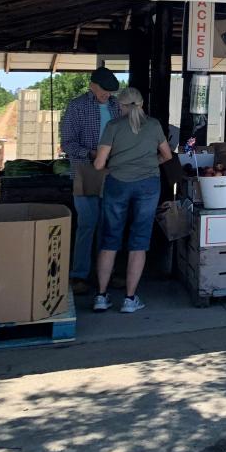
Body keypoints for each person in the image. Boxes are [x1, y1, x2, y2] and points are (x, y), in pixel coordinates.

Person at [92, 87, 173, 313]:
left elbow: (99, 164)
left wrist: (116, 165)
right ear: (142, 104)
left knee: (110, 239)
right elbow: (167, 156)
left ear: (121, 106)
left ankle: (100, 296)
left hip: (117, 184)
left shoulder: (113, 127)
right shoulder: (154, 125)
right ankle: (129, 299)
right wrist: (148, 164)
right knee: (139, 241)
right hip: (148, 185)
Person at [59, 67, 121, 295]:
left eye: (111, 92)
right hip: (85, 172)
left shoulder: (116, 106)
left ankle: (107, 273)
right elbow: (67, 143)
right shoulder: (77, 107)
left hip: (113, 173)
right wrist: (91, 154)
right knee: (87, 224)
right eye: (104, 90)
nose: (107, 95)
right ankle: (79, 275)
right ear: (92, 85)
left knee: (110, 225)